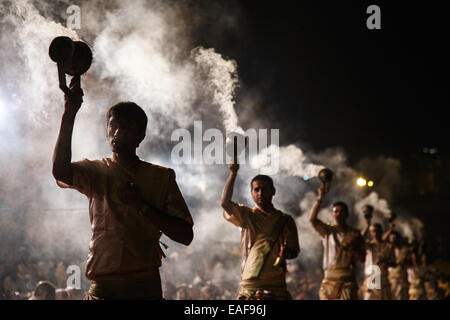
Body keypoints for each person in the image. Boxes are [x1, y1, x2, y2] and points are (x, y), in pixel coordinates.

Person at [52, 76, 194, 300]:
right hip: (103, 286)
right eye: (112, 126)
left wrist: (143, 207)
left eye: (125, 127)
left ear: (141, 136)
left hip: (145, 286)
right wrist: (69, 114)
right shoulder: (96, 171)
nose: (116, 132)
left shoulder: (161, 177)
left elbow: (186, 235)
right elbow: (60, 172)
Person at [221, 160, 300, 300]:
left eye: (264, 189)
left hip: (276, 286)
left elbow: (294, 251)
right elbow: (225, 203)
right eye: (256, 189)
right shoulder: (246, 215)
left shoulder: (286, 220)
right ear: (251, 192)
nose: (260, 193)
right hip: (249, 287)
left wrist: (286, 253)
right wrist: (233, 173)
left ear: (273, 191)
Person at [309, 185, 365, 300]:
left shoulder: (355, 234)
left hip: (347, 280)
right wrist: (320, 198)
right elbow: (312, 220)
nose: (338, 214)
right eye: (336, 212)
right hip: (330, 278)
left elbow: (363, 258)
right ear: (333, 214)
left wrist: (353, 248)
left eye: (341, 212)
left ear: (347, 214)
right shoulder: (328, 231)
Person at [361, 220, 395, 300]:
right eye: (373, 231)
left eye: (377, 231)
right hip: (371, 278)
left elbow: (394, 263)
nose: (375, 233)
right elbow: (359, 238)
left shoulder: (388, 247)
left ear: (381, 231)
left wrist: (385, 262)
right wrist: (367, 225)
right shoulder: (369, 245)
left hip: (383, 279)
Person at [384, 230, 410, 300]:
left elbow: (408, 263)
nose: (393, 241)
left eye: (395, 239)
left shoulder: (403, 250)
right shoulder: (386, 251)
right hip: (390, 279)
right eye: (392, 239)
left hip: (401, 279)